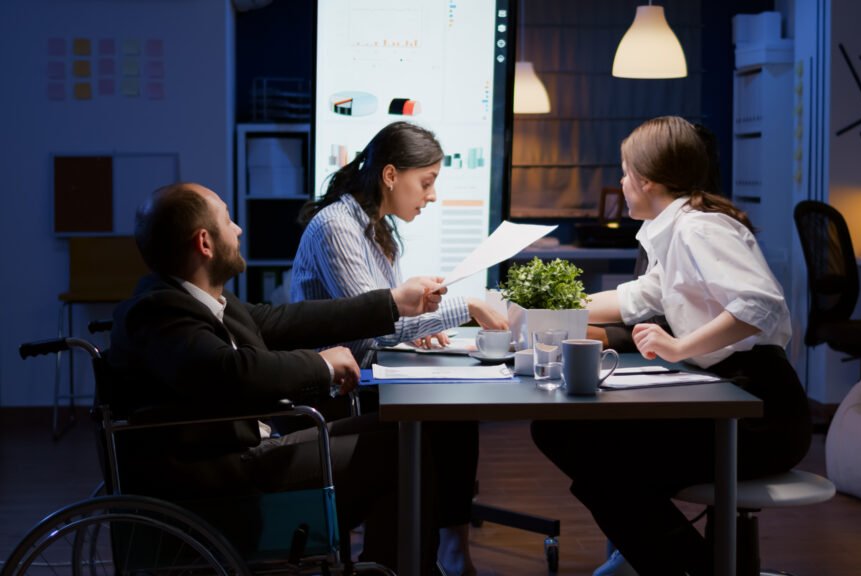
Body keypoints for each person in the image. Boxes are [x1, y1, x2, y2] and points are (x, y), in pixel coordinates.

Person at [107, 182, 446, 571]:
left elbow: (287, 320)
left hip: (245, 454)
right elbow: (229, 372)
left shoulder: (203, 302)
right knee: (399, 453)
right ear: (205, 242)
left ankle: (392, 564)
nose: (238, 230)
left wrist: (393, 302)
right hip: (220, 481)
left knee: (406, 431)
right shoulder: (156, 313)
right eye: (228, 221)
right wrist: (322, 365)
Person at [531, 117, 812, 575]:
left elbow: (759, 304)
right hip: (729, 400)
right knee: (565, 435)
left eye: (624, 172)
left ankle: (690, 567)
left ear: (647, 179)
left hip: (762, 415)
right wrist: (540, 306)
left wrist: (680, 347)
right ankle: (689, 564)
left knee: (578, 442)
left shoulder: (698, 229)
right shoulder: (677, 231)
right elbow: (637, 298)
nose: (620, 183)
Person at [290, 121, 505, 575]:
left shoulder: (376, 228)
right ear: (391, 175)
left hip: (364, 374)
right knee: (433, 427)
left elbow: (392, 317)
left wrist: (419, 324)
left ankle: (442, 551)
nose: (431, 196)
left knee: (456, 416)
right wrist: (465, 307)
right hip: (335, 390)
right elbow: (378, 325)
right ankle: (420, 558)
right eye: (426, 183)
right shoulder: (337, 227)